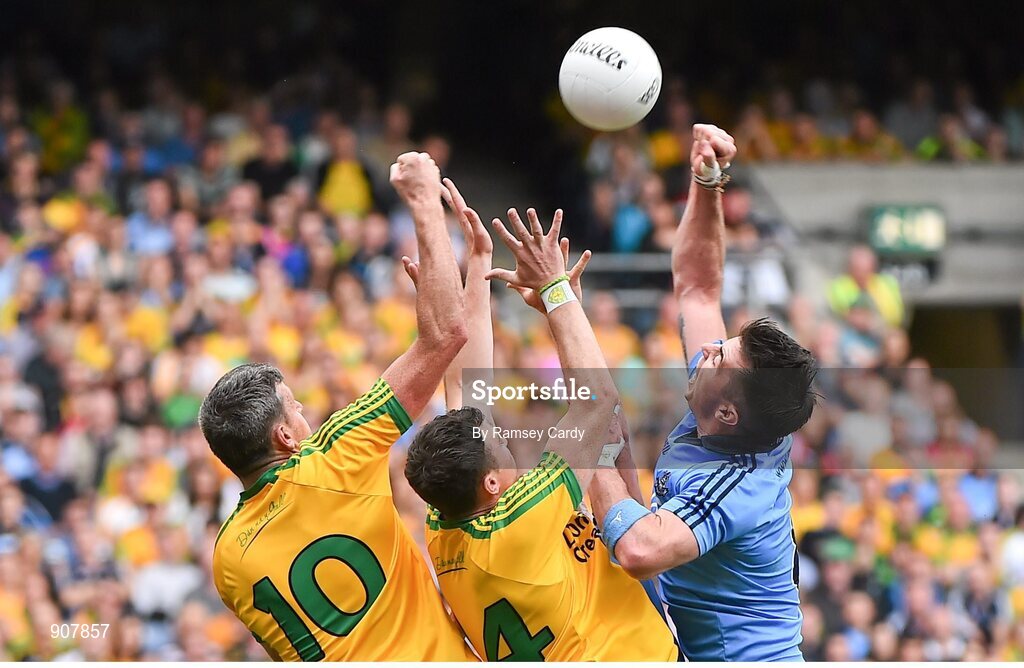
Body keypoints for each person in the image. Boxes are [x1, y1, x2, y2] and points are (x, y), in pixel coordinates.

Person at [200, 152, 476, 661]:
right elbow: (449, 333)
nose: (305, 411)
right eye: (294, 407)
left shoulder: (227, 559)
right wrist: (423, 204)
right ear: (284, 437)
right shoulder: (336, 456)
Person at [402, 185, 677, 661]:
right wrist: (557, 293)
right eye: (500, 443)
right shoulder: (526, 514)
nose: (504, 436)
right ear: (491, 480)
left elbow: (468, 394)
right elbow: (598, 402)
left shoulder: (444, 521)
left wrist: (477, 268)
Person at [589, 124, 818, 661]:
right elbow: (697, 285)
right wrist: (708, 181)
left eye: (721, 356)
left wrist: (587, 445)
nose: (709, 349)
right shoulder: (729, 407)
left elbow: (640, 549)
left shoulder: (735, 483)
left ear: (729, 412)